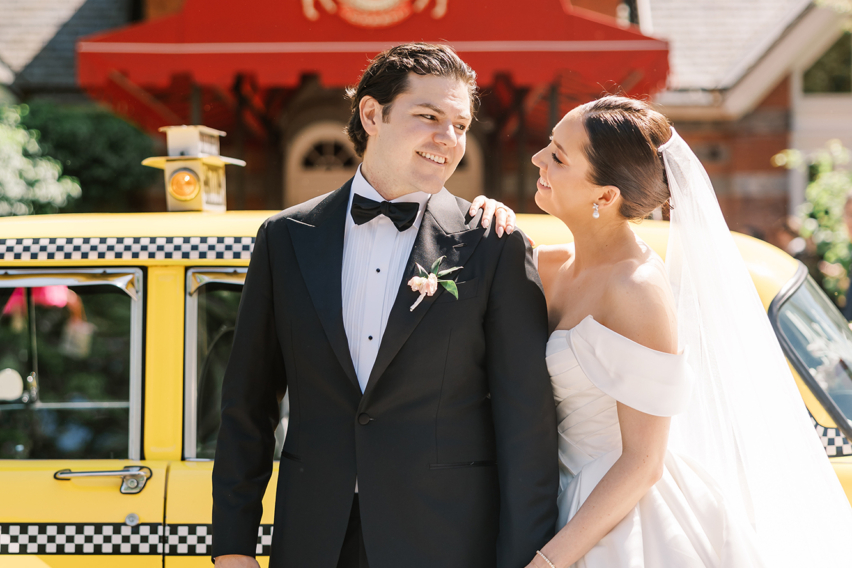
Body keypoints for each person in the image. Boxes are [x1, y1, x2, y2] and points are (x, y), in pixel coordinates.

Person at [211, 43, 559, 568]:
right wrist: (233, 547)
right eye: (429, 117)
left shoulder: (492, 243)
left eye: (460, 125)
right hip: (314, 539)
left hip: (445, 541)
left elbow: (526, 421)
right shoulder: (285, 238)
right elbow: (248, 401)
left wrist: (526, 559)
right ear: (373, 114)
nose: (448, 138)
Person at [522, 96, 852, 568]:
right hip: (551, 497)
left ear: (606, 195)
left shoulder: (637, 289)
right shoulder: (552, 265)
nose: (538, 159)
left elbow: (643, 462)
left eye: (557, 155)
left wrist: (550, 562)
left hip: (625, 519)